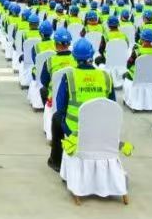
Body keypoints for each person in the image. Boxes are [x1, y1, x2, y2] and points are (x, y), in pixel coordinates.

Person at [47, 38, 114, 172]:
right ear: (92, 55)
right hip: (101, 129)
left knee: (56, 117)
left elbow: (60, 107)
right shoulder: (106, 76)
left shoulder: (69, 77)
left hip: (74, 130)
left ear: (74, 57)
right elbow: (112, 106)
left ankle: (56, 161)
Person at [40, 27, 77, 105]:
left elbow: (44, 81)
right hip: (73, 98)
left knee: (43, 90)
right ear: (69, 43)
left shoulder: (49, 61)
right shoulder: (76, 59)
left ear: (55, 44)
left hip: (53, 99)